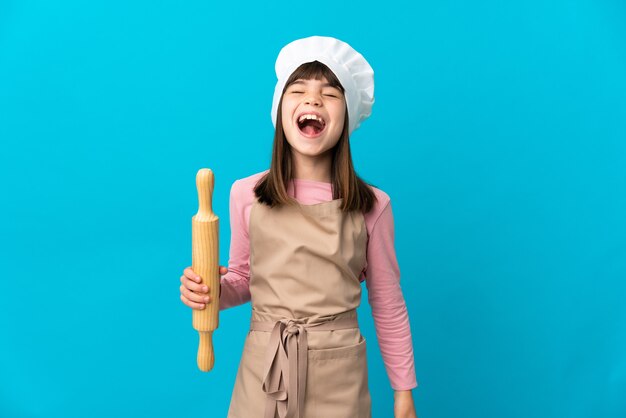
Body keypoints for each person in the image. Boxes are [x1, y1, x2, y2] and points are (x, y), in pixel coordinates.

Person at [179, 35, 418, 418]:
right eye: (298, 89)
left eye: (330, 93)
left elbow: (388, 303)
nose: (313, 100)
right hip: (265, 369)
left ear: (348, 116)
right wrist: (211, 292)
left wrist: (403, 391)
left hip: (340, 374)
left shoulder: (373, 205)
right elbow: (244, 279)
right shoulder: (246, 194)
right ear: (279, 110)